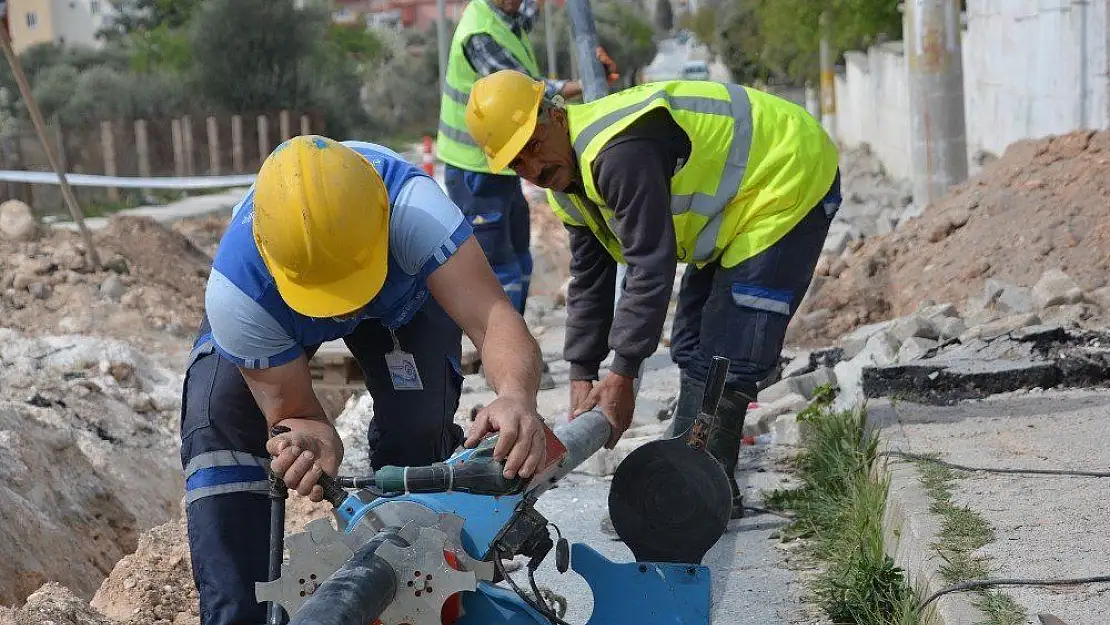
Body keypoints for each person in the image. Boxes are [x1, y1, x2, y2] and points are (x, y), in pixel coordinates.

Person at [180, 135, 549, 625]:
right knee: (216, 419)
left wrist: (515, 397)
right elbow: (296, 412)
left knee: (418, 431)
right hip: (279, 309)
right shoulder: (237, 293)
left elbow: (492, 318)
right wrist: (308, 438)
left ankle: (430, 591)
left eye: (350, 286)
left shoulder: (417, 212)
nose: (345, 309)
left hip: (404, 299)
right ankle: (240, 615)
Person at [464, 70, 842, 518]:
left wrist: (622, 374)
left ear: (556, 115)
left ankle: (702, 497)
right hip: (738, 207)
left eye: (532, 145)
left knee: (730, 349)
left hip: (787, 175)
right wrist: (583, 372)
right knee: (692, 344)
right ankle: (686, 474)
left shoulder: (619, 152)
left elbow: (650, 263)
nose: (532, 168)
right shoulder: (566, 182)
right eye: (516, 163)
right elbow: (590, 278)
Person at [436, 0, 617, 390]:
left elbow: (532, 15)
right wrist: (582, 82)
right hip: (475, 172)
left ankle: (513, 354)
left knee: (519, 260)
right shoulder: (480, 32)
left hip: (504, 162)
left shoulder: (508, 16)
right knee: (498, 269)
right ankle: (499, 365)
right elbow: (518, 89)